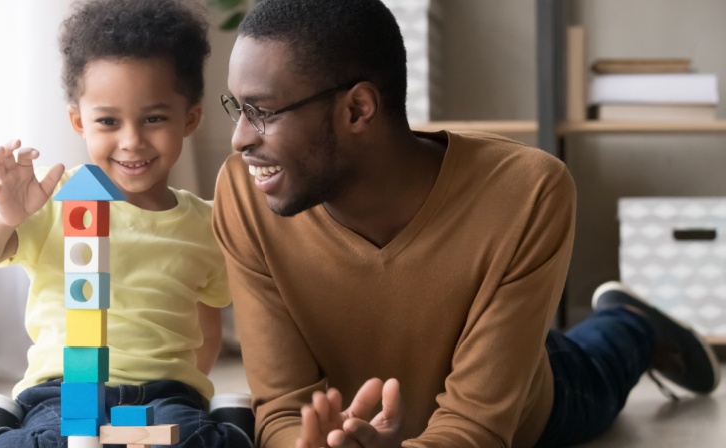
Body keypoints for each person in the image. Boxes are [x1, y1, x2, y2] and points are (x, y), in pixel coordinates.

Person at [211, 0, 721, 447]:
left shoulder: (526, 192)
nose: (238, 139)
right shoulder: (244, 193)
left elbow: (478, 428)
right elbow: (279, 410)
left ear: (359, 108)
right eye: (237, 106)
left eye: (262, 112)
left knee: (596, 367)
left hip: (519, 403)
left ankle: (634, 323)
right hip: (388, 400)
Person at [0, 1, 253, 447]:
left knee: (190, 439)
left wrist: (192, 386)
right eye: (108, 121)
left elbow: (208, 323)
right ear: (79, 121)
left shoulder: (206, 223)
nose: (131, 140)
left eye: (154, 118)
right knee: (63, 442)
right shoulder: (57, 200)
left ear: (189, 117)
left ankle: (226, 422)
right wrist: (5, 217)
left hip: (164, 392)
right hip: (64, 390)